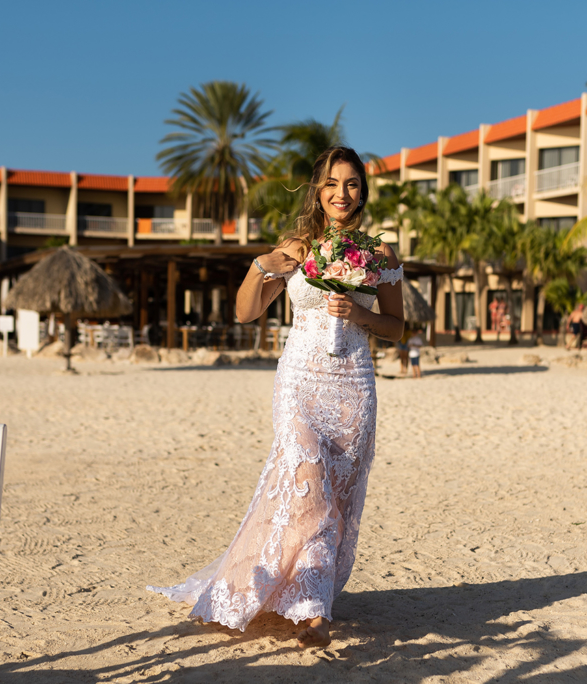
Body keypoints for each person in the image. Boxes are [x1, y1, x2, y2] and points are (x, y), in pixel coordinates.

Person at [147, 147, 405, 647]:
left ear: (363, 192)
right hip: (300, 383)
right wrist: (261, 266)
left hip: (353, 385)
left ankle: (313, 604)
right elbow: (245, 313)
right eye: (332, 184)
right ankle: (306, 604)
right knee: (306, 475)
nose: (341, 194)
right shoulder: (296, 247)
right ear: (318, 190)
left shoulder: (380, 255)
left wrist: (360, 314)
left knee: (335, 498)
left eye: (352, 184)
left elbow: (396, 327)